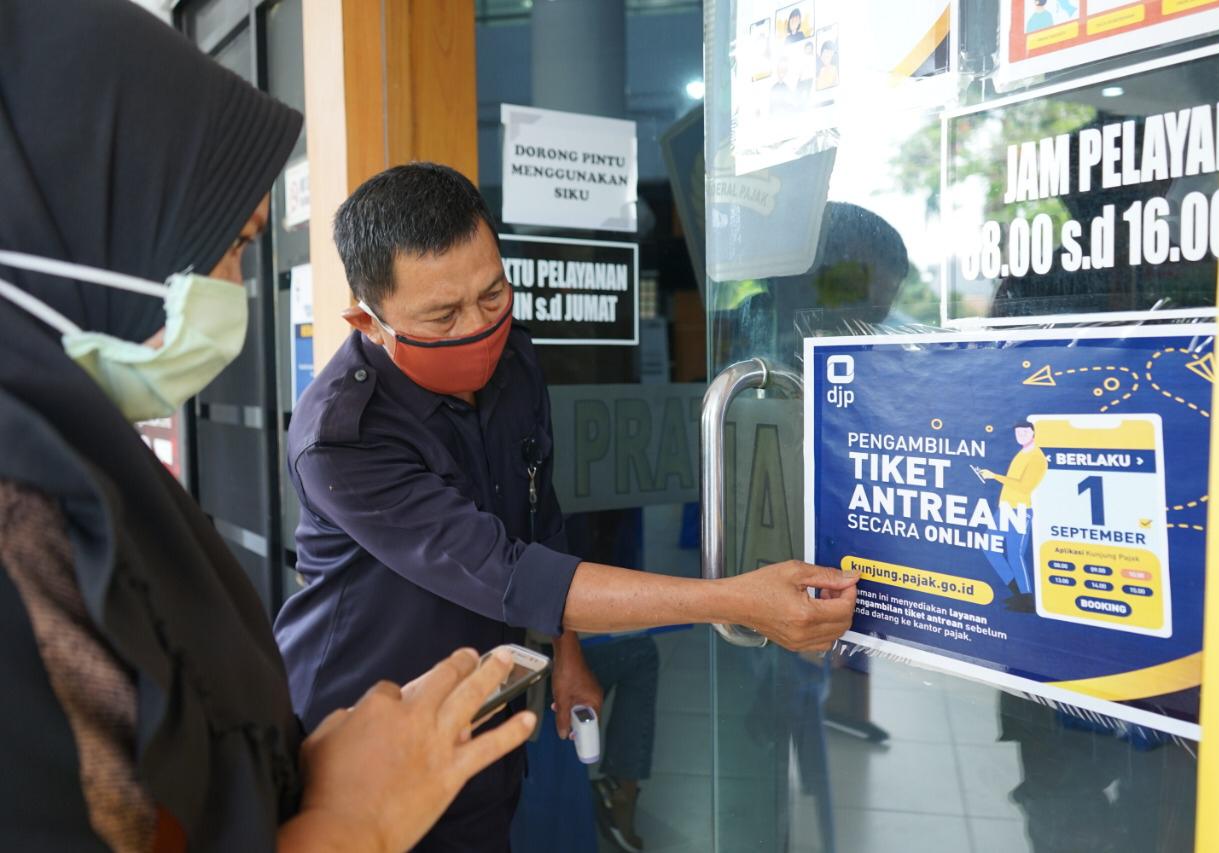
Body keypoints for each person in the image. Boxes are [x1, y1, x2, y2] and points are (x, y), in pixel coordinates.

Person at [0, 1, 533, 849]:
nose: (233, 287)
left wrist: (303, 776)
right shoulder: (23, 526)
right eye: (232, 245)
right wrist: (349, 823)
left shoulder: (80, 471)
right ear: (94, 231)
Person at [273, 162, 859, 851]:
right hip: (361, 742)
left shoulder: (513, 362)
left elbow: (537, 516)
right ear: (367, 322)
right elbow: (510, 573)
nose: (478, 327)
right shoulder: (344, 437)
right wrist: (735, 600)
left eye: (493, 294)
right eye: (443, 316)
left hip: (483, 714)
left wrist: (567, 651)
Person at [980, 420, 1048, 611]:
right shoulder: (1022, 453)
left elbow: (1024, 487)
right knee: (989, 546)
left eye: (1025, 432)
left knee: (1015, 555)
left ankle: (1026, 599)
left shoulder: (1037, 457)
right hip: (1005, 509)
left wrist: (994, 476)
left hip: (1020, 510)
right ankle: (1018, 594)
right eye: (1018, 433)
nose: (1021, 435)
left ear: (1033, 433)